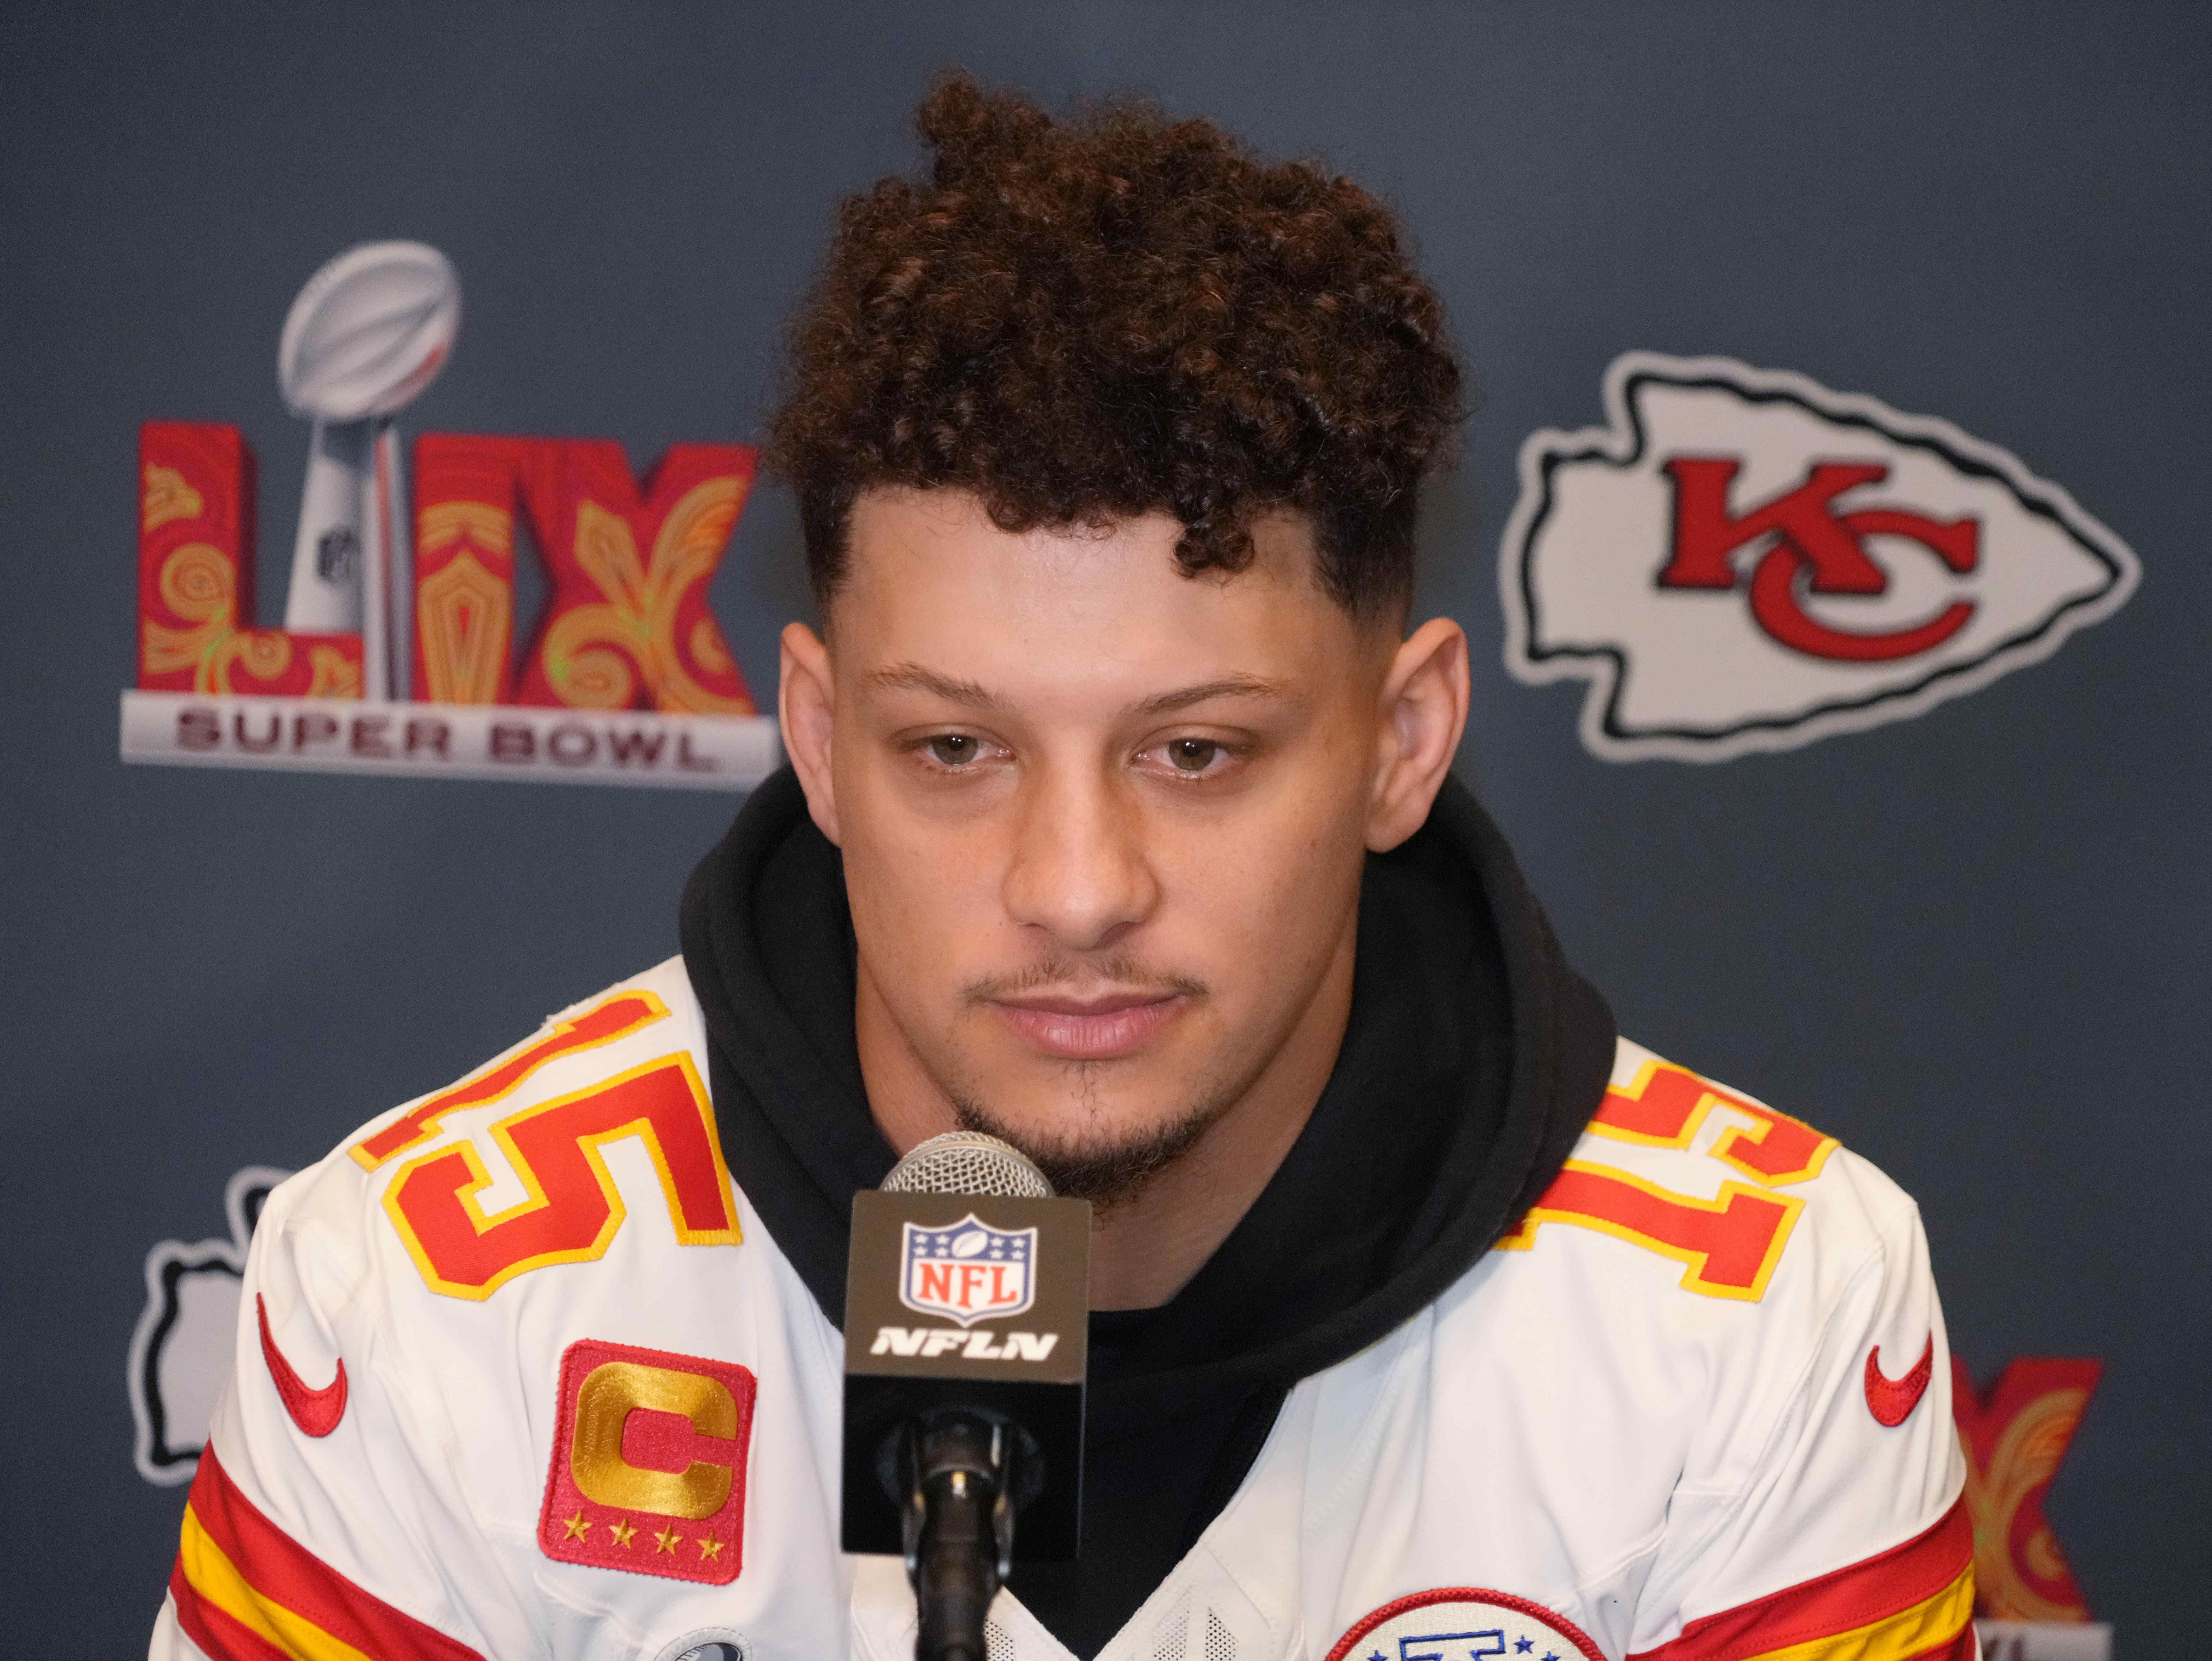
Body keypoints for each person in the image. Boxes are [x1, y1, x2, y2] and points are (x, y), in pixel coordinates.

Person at [152, 75, 1972, 1661]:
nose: (1077, 889)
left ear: (1403, 744)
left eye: (1197, 754)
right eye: (957, 749)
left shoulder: (1761, 1326)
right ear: (816, 736)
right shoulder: (426, 1305)